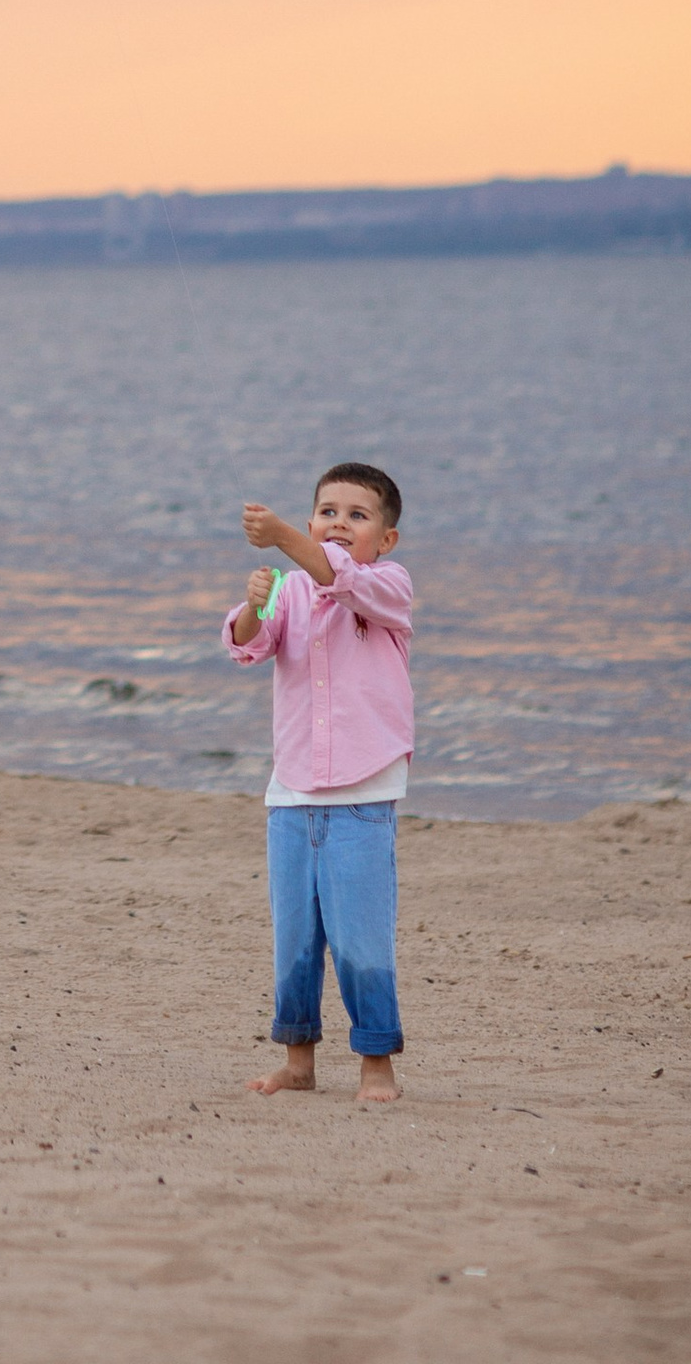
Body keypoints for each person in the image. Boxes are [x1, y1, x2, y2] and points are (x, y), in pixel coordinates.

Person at [223, 461, 413, 1103]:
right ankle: (298, 1061)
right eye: (328, 512)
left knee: (361, 937)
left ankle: (376, 1064)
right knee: (295, 938)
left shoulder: (388, 584)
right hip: (293, 792)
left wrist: (281, 536)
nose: (340, 524)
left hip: (363, 793)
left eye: (357, 516)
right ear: (312, 521)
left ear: (384, 539)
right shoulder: (290, 587)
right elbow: (247, 645)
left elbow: (340, 578)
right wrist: (254, 605)